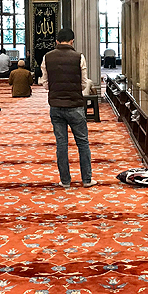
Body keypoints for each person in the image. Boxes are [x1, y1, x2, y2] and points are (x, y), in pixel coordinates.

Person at [42, 28, 96, 188]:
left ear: (57, 41)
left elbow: (45, 84)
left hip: (56, 106)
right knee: (83, 143)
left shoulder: (47, 57)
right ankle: (87, 179)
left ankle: (65, 181)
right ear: (72, 41)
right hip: (75, 105)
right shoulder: (79, 57)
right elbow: (84, 83)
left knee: (61, 144)